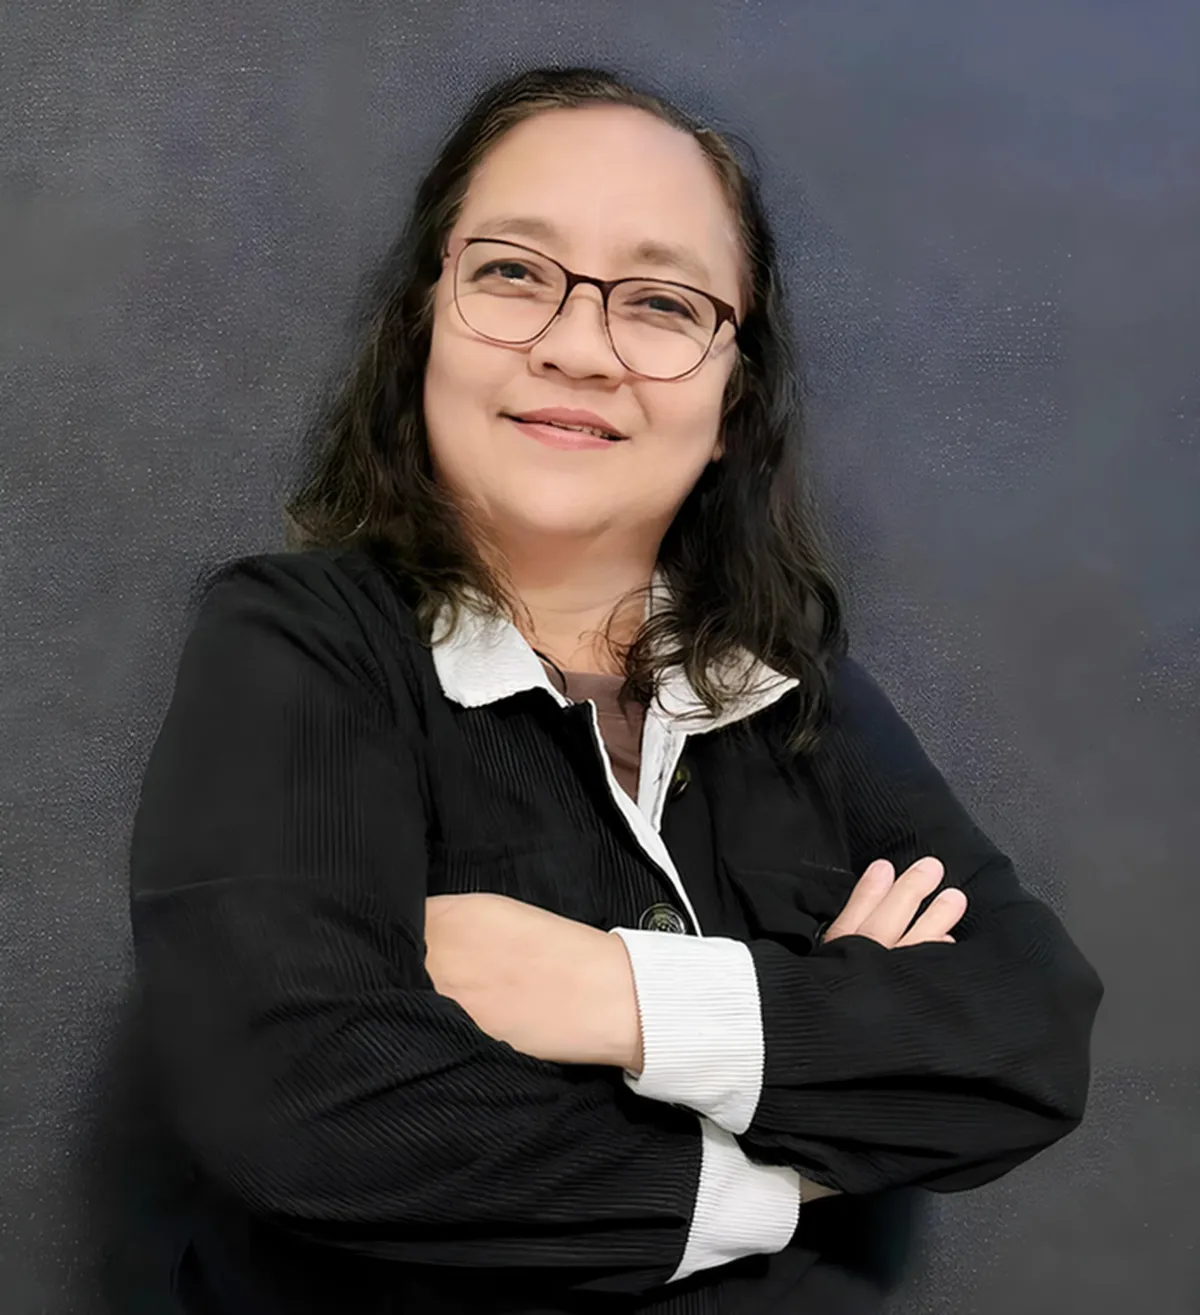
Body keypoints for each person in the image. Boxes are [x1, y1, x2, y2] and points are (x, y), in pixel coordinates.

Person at [127, 65, 1104, 1315]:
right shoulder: (297, 642)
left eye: (660, 301)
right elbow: (309, 1106)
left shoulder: (794, 694)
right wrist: (797, 1150)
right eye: (513, 272)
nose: (578, 347)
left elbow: (1025, 1040)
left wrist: (613, 995)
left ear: (733, 394)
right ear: (425, 321)